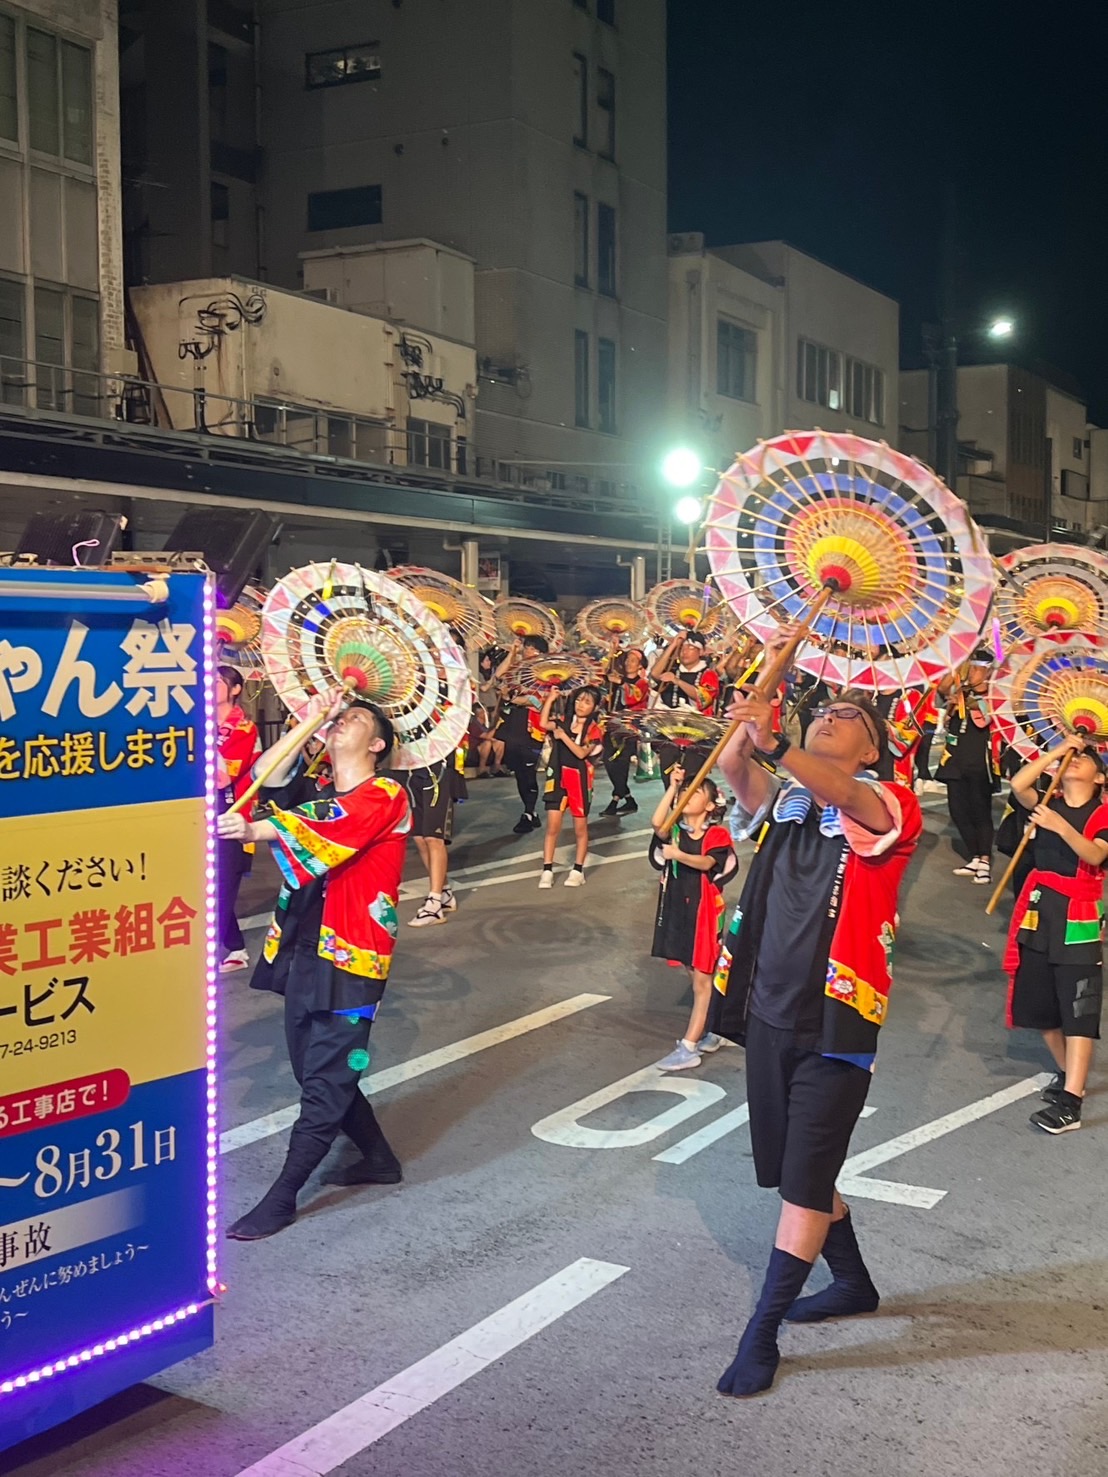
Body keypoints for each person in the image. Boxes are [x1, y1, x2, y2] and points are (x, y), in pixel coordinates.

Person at [710, 635, 922, 1398]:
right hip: (768, 1012)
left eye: (851, 713)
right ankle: (854, 1282)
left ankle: (759, 1335)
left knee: (803, 1183)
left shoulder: (888, 805)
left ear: (874, 747)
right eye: (826, 704)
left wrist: (782, 738)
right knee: (801, 1172)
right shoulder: (791, 801)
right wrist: (759, 698)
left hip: (837, 1023)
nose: (833, 711)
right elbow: (738, 768)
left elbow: (840, 790)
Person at [216, 693, 412, 1240]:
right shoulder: (322, 788)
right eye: (339, 715)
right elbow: (266, 774)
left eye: (355, 719)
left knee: (324, 1081)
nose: (342, 719)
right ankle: (378, 1159)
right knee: (312, 1070)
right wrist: (308, 723)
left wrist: (257, 831)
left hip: (354, 956)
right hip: (305, 946)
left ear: (377, 745)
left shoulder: (386, 794)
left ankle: (282, 1197)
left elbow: (333, 825)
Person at [1004, 734, 1108, 1134]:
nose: (1075, 761)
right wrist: (1058, 749)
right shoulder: (1049, 802)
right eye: (1072, 758)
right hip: (1038, 908)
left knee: (1079, 1007)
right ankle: (1068, 1076)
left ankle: (1073, 1101)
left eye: (1083, 758)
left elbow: (1096, 854)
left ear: (1100, 778)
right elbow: (1018, 785)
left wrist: (1058, 826)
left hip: (1079, 912)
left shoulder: (1100, 814)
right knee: (1040, 1004)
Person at [649, 766, 738, 1070]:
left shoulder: (716, 834)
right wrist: (673, 787)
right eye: (685, 791)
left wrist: (679, 856)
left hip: (703, 911)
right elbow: (657, 824)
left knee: (701, 980)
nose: (687, 796)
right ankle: (715, 1028)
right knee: (694, 971)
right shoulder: (675, 831)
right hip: (678, 907)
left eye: (694, 791)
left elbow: (706, 862)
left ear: (711, 806)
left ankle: (689, 1046)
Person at [215, 665, 261, 973]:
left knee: (221, 888)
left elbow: (222, 778)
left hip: (231, 814)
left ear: (234, 689)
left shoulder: (245, 729)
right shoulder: (198, 721)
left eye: (218, 682)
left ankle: (234, 949)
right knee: (205, 886)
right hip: (204, 810)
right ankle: (233, 947)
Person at [938, 657, 999, 884]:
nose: (971, 672)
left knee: (980, 810)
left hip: (978, 760)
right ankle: (973, 854)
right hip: (955, 758)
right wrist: (953, 704)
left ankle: (984, 859)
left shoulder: (993, 695)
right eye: (970, 667)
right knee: (957, 809)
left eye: (976, 669)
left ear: (988, 672)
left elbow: (984, 721)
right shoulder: (962, 691)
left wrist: (968, 702)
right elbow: (946, 717)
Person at [537, 684, 604, 888]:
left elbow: (581, 753)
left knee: (580, 828)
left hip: (579, 780)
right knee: (552, 826)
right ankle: (547, 870)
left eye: (586, 702)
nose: (580, 705)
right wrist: (550, 698)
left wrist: (563, 736)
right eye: (578, 700)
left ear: (594, 707)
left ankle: (578, 869)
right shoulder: (564, 720)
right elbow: (542, 722)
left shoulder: (594, 730)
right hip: (557, 776)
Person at [394, 754, 462, 927]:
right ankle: (444, 892)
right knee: (419, 838)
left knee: (433, 838)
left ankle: (434, 904)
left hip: (437, 767)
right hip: (408, 768)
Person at [496, 634, 551, 832]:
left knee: (528, 771)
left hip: (532, 728)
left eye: (530, 648)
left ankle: (528, 812)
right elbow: (498, 676)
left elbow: (539, 701)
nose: (526, 651)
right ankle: (531, 812)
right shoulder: (518, 671)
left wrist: (513, 697)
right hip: (514, 725)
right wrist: (512, 652)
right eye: (526, 647)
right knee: (519, 772)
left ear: (540, 653)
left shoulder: (546, 675)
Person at [649, 630, 721, 780]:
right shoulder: (672, 670)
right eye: (682, 648)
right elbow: (655, 674)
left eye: (690, 648)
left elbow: (704, 698)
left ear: (701, 652)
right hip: (670, 730)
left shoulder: (708, 674)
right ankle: (671, 803)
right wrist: (674, 644)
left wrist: (677, 681)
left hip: (698, 732)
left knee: (690, 776)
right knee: (667, 773)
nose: (684, 652)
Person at [600, 645, 650, 817]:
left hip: (628, 729)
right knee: (608, 761)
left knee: (620, 763)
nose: (629, 663)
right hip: (610, 726)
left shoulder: (642, 683)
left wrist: (620, 683)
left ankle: (615, 800)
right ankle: (628, 798)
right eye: (628, 659)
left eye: (634, 661)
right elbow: (602, 675)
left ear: (640, 666)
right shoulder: (616, 678)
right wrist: (611, 651)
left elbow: (633, 697)